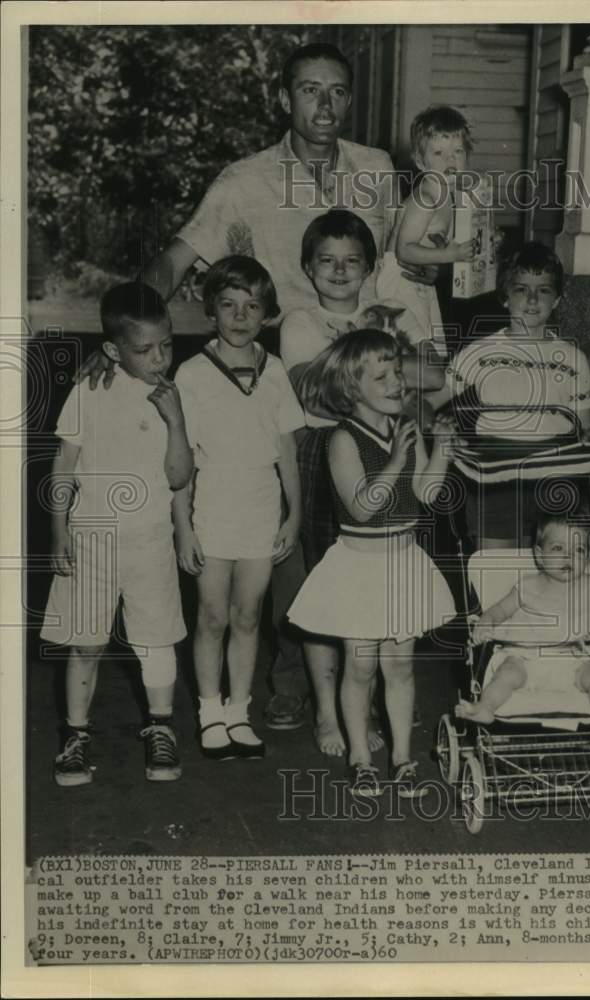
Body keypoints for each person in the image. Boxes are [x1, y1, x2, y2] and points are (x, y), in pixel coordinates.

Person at [76, 42, 439, 733]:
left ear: (350, 99)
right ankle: (292, 681)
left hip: (372, 382)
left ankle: (367, 677)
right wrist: (123, 340)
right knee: (291, 551)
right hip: (288, 385)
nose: (324, 106)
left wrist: (428, 363)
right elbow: (173, 262)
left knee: (372, 534)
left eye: (337, 92)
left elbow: (406, 272)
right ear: (285, 98)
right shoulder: (244, 181)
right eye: (309, 91)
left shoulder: (378, 171)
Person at [280, 210, 446, 755]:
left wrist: (375, 360)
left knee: (381, 596)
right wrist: (381, 347)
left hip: (393, 445)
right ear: (308, 268)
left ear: (370, 266)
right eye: (327, 261)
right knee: (332, 590)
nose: (340, 271)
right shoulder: (300, 322)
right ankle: (328, 714)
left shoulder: (391, 311)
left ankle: (378, 707)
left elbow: (434, 374)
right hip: (327, 450)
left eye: (353, 261)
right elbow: (315, 393)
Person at [288, 330, 456, 796]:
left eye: (398, 371)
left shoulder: (405, 426)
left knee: (399, 667)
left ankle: (402, 757)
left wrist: (439, 449)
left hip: (402, 563)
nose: (396, 382)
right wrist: (395, 460)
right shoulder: (342, 439)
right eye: (380, 376)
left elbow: (426, 494)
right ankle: (361, 758)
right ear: (349, 388)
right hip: (359, 567)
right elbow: (362, 506)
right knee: (359, 666)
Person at [41, 284, 193, 785]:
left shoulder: (174, 395)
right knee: (86, 643)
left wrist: (175, 421)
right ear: (112, 350)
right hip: (92, 538)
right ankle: (76, 736)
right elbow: (64, 465)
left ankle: (160, 727)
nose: (160, 358)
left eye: (167, 345)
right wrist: (58, 530)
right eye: (145, 349)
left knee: (156, 641)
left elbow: (178, 476)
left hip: (151, 538)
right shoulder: (89, 389)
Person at [172, 257, 304, 759]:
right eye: (228, 305)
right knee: (211, 616)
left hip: (261, 508)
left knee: (248, 616)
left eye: (252, 306)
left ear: (266, 314)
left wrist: (292, 516)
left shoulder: (276, 373)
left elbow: (288, 452)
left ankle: (238, 711)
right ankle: (209, 712)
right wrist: (183, 528)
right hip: (212, 508)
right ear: (211, 312)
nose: (240, 315)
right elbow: (181, 464)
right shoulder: (192, 373)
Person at [439, 241, 590, 549]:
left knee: (548, 573)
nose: (533, 299)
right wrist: (439, 430)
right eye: (522, 289)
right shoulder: (479, 352)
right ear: (505, 297)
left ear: (558, 299)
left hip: (553, 477)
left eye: (544, 290)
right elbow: (432, 401)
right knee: (494, 574)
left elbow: (586, 423)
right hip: (495, 478)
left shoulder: (573, 358)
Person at [455, 517, 590, 736]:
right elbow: (499, 611)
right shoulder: (526, 587)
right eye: (558, 548)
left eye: (580, 550)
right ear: (539, 554)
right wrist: (485, 623)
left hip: (577, 660)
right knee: (507, 673)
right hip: (527, 658)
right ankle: (485, 708)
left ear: (588, 557)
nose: (569, 556)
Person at [377, 105, 475, 351]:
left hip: (420, 281)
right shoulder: (425, 199)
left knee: (433, 345)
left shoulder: (449, 195)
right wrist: (450, 255)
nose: (450, 160)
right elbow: (404, 250)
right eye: (439, 153)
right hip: (400, 280)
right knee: (412, 348)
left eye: (458, 151)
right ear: (421, 162)